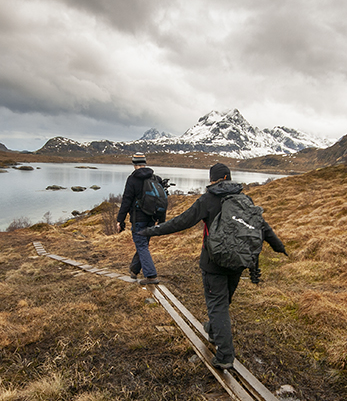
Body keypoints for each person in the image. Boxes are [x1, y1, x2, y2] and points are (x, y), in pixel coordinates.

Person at [141, 163, 287, 369]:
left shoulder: (208, 199)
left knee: (217, 305)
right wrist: (278, 246)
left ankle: (225, 355)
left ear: (213, 179)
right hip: (237, 261)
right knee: (223, 301)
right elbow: (261, 225)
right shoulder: (245, 199)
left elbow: (181, 222)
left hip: (214, 262)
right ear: (228, 177)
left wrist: (150, 231)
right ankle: (213, 328)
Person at [116, 153, 165, 285]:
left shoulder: (132, 179)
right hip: (152, 218)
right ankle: (134, 270)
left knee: (142, 245)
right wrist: (161, 220)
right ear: (144, 163)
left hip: (138, 219)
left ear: (134, 163)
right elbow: (162, 199)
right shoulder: (155, 178)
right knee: (142, 245)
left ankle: (151, 275)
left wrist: (120, 219)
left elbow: (126, 200)